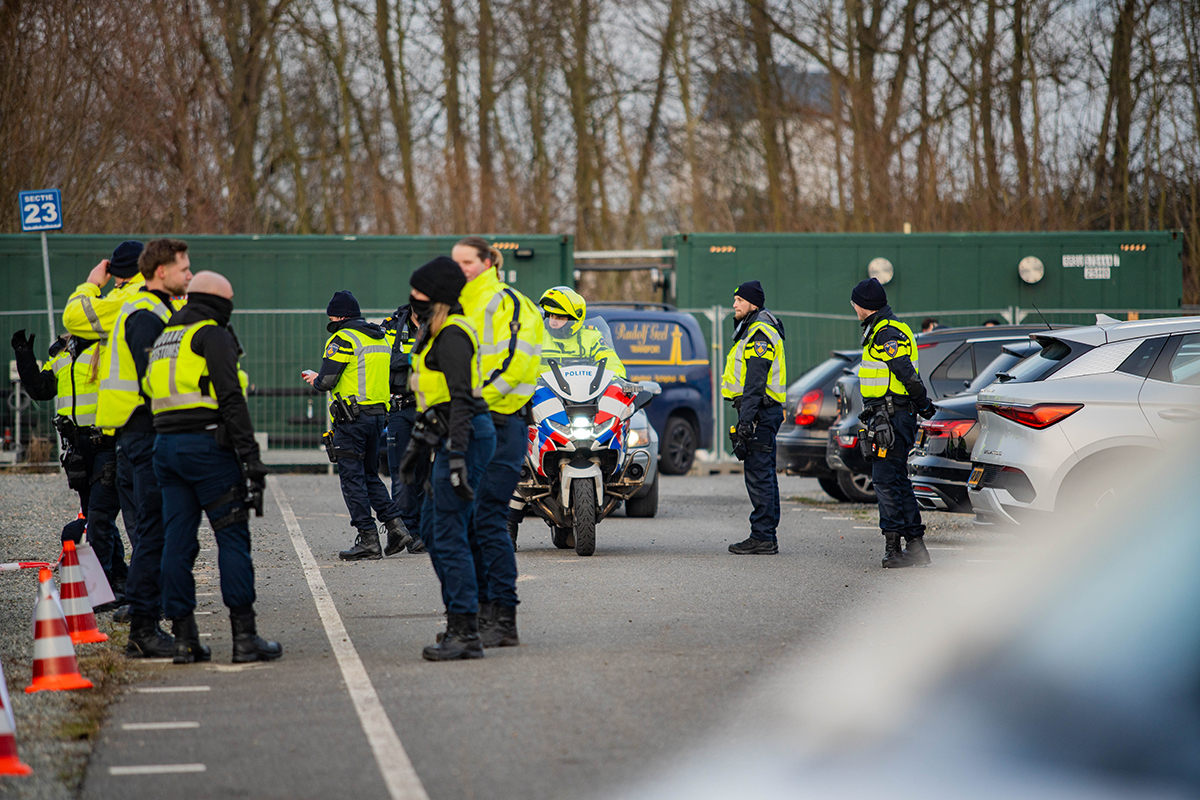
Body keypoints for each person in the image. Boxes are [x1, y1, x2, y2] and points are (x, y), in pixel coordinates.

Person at [146, 271, 281, 664]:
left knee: (177, 542)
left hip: (165, 447)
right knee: (232, 537)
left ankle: (184, 639)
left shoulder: (166, 338)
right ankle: (245, 638)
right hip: (207, 447)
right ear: (217, 301)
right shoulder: (210, 334)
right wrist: (251, 457)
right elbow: (231, 398)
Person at [97, 238, 192, 657]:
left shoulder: (159, 309)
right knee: (154, 530)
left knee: (159, 527)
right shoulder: (144, 315)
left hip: (147, 431)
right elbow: (157, 381)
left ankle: (148, 620)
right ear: (161, 272)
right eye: (183, 268)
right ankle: (144, 628)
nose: (189, 275)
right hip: (144, 432)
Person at [452, 237, 544, 648]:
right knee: (467, 522)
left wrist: (471, 403)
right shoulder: (456, 305)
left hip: (502, 423)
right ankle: (479, 613)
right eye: (456, 262)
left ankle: (503, 619)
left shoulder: (511, 303)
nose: (461, 268)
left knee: (488, 520)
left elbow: (515, 365)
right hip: (466, 423)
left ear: (489, 262)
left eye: (468, 261)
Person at [403, 256, 495, 661]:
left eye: (419, 291)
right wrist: (417, 448)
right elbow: (435, 400)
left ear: (436, 295)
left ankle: (466, 630)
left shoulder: (453, 334)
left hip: (466, 438)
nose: (412, 297)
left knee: (448, 533)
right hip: (448, 437)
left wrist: (456, 456)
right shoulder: (433, 331)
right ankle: (468, 614)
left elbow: (461, 400)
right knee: (431, 527)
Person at [10, 329, 127, 608]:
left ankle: (101, 588)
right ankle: (119, 579)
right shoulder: (63, 356)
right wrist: (24, 356)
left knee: (99, 515)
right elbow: (41, 389)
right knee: (94, 515)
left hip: (107, 444)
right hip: (77, 447)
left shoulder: (108, 349)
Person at [304, 291, 412, 560]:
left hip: (351, 419)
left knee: (352, 479)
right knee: (369, 475)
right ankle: (397, 527)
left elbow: (327, 381)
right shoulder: (379, 337)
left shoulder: (343, 339)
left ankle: (368, 539)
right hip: (377, 417)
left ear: (339, 317)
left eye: (332, 319)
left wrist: (316, 379)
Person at [851, 277, 937, 569]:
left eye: (855, 303)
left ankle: (894, 548)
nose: (853, 308)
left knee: (886, 482)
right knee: (897, 480)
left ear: (865, 305)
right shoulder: (881, 329)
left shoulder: (886, 332)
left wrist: (923, 403)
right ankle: (915, 546)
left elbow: (905, 372)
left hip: (891, 416)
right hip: (889, 415)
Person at [721, 280, 787, 555]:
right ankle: (766, 534)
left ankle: (763, 536)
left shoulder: (759, 333)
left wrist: (746, 421)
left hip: (759, 411)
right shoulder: (754, 328)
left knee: (759, 475)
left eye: (739, 300)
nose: (734, 304)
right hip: (761, 411)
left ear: (753, 303)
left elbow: (755, 383)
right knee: (764, 473)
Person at [381, 302, 426, 553]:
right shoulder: (393, 326)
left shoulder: (440, 323)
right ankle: (408, 531)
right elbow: (386, 359)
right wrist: (416, 358)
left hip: (429, 408)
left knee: (427, 472)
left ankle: (424, 531)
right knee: (402, 472)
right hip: (401, 408)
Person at [538, 287, 625, 377]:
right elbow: (529, 365)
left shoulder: (591, 337)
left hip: (585, 386)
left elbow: (611, 361)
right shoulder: (538, 337)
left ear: (574, 320)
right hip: (544, 386)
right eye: (551, 316)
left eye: (559, 318)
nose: (552, 322)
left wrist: (617, 378)